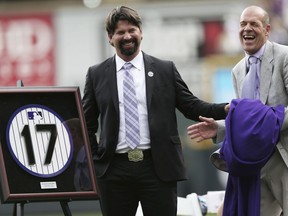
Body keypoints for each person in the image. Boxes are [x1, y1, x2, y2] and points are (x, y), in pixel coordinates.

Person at [82, 6, 229, 216]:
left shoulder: (164, 69)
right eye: (120, 32)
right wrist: (97, 161)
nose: (127, 36)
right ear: (110, 37)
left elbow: (192, 106)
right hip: (114, 170)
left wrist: (226, 109)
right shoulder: (96, 74)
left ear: (141, 32)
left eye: (131, 30)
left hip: (157, 168)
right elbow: (87, 123)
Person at [187, 5, 288, 216]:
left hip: (284, 158)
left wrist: (267, 124)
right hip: (256, 164)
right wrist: (220, 129)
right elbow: (246, 119)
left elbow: (259, 120)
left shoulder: (284, 56)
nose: (247, 29)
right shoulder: (238, 71)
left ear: (267, 30)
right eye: (243, 24)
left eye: (254, 24)